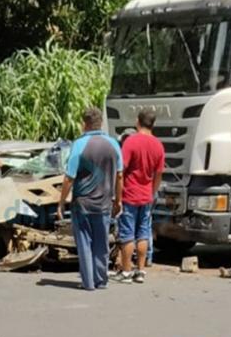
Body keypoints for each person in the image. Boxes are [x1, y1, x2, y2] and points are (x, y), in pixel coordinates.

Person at [58, 107, 123, 291]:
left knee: (84, 242)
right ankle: (101, 280)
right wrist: (119, 201)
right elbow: (119, 176)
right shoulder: (113, 144)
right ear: (100, 123)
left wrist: (61, 203)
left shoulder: (79, 145)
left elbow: (69, 178)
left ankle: (88, 283)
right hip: (104, 204)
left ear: (84, 124)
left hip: (82, 204)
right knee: (101, 243)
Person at [110, 109, 165, 284]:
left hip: (129, 195)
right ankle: (140, 271)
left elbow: (121, 171)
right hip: (146, 197)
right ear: (153, 124)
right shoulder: (158, 145)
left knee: (127, 234)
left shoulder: (131, 142)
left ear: (137, 122)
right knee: (143, 234)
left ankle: (126, 272)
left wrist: (117, 195)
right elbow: (158, 174)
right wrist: (152, 192)